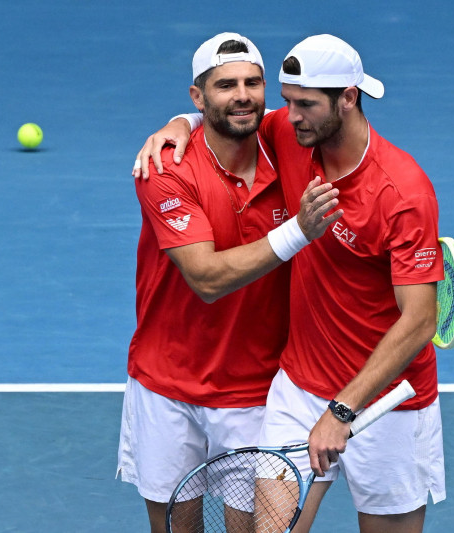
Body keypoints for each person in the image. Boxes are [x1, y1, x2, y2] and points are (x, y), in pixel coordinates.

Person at [135, 34, 445, 533]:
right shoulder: (292, 137)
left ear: (347, 97)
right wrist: (181, 123)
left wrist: (343, 409)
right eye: (286, 100)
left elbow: (421, 319)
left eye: (304, 104)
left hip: (389, 400)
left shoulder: (402, 191)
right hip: (299, 390)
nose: (288, 114)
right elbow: (227, 117)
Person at [118, 32, 342, 533]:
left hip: (257, 392)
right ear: (198, 96)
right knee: (177, 528)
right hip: (166, 384)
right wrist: (299, 231)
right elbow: (206, 278)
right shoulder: (165, 167)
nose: (242, 95)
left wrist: (186, 120)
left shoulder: (285, 139)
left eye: (253, 83)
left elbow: (336, 113)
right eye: (225, 86)